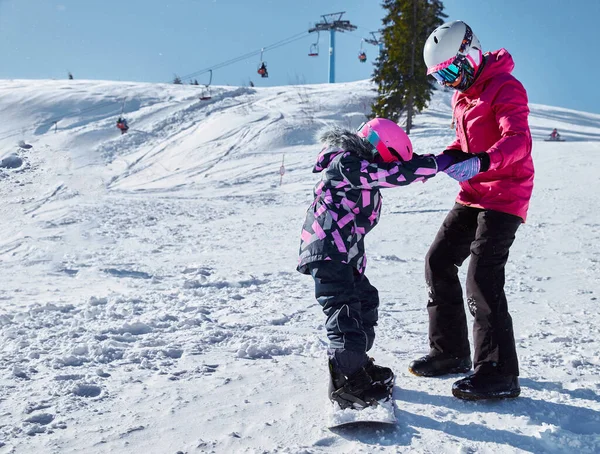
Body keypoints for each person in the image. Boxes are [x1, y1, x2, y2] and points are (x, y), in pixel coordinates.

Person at [410, 20, 534, 401]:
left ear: (470, 52)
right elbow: (465, 142)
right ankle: (450, 353)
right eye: (439, 76)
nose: (447, 81)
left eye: (450, 70)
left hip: (506, 193)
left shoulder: (505, 87)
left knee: (482, 276)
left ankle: (498, 372)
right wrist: (440, 160)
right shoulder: (461, 97)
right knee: (438, 260)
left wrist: (481, 162)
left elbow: (518, 140)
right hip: (473, 194)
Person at [297, 119, 439, 409]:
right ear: (379, 150)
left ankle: (357, 364)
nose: (392, 167)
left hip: (342, 254)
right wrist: (438, 164)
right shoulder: (344, 162)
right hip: (327, 252)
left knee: (365, 301)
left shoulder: (359, 169)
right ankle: (346, 385)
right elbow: (393, 174)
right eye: (391, 160)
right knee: (345, 312)